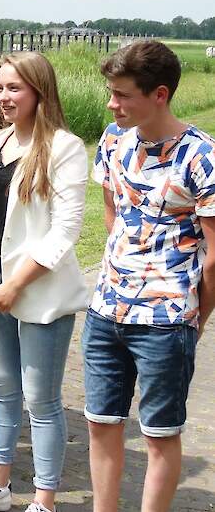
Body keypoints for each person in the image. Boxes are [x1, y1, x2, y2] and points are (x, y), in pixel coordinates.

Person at [0, 52, 88, 512]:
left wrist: (15, 284)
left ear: (39, 93)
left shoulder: (65, 147)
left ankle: (44, 501)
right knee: (2, 387)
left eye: (15, 89)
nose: (5, 97)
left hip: (36, 286)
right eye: (1, 88)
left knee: (42, 399)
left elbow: (64, 231)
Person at [83, 40, 215, 512]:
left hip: (165, 318)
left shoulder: (201, 156)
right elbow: (113, 214)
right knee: (100, 421)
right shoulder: (112, 140)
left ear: (160, 94)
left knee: (159, 432)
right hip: (105, 310)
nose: (111, 103)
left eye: (122, 95)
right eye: (110, 92)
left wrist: (194, 318)